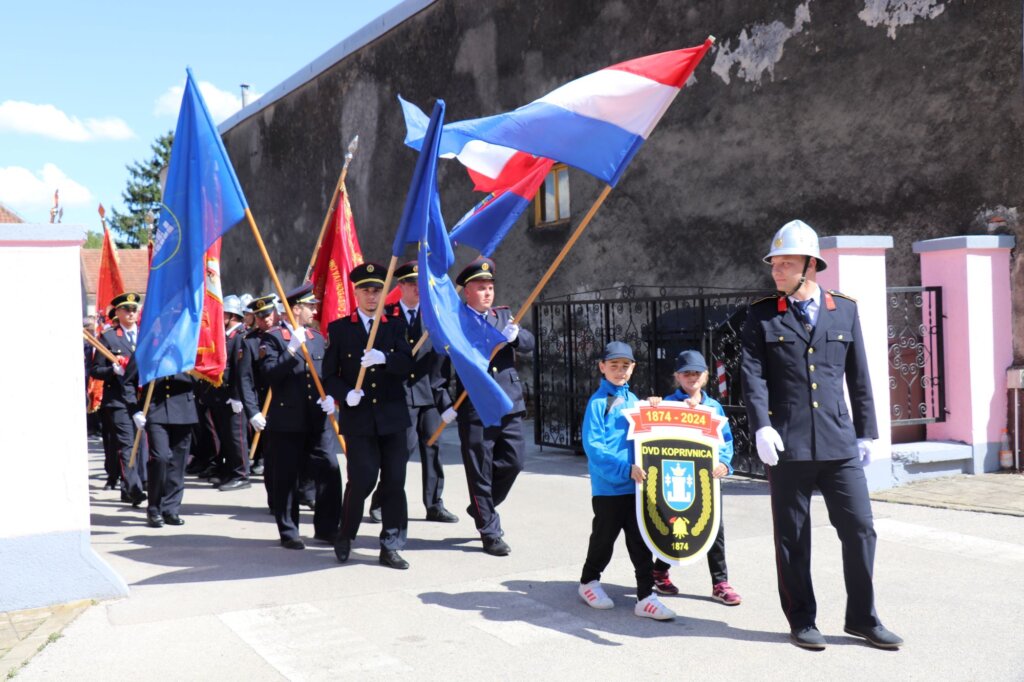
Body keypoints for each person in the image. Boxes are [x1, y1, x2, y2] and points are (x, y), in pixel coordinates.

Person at [740, 219, 902, 650]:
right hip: (788, 442)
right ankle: (802, 619)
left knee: (860, 529)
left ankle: (863, 618)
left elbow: (859, 375)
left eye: (785, 263)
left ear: (810, 266)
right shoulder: (761, 314)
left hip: (839, 441)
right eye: (774, 264)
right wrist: (762, 426)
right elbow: (752, 377)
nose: (776, 271)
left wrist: (866, 433)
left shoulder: (843, 309)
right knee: (793, 536)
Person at [324, 262, 414, 569]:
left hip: (392, 417)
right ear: (356, 292)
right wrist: (345, 393)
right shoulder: (340, 329)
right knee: (362, 479)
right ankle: (346, 533)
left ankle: (391, 545)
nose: (372, 296)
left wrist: (385, 358)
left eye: (377, 291)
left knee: (394, 482)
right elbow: (329, 376)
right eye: (366, 290)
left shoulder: (395, 325)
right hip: (359, 419)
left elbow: (407, 365)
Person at [577, 341, 675, 621]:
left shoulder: (634, 401)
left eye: (625, 366)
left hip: (636, 486)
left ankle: (646, 597)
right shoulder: (599, 403)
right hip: (609, 488)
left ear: (633, 368)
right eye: (614, 366)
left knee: (641, 541)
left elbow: (652, 434)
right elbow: (594, 448)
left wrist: (654, 407)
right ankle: (589, 581)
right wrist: (624, 470)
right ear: (602, 367)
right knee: (604, 539)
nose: (620, 371)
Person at [453, 257, 534, 556]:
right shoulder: (457, 321)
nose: (487, 293)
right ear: (467, 292)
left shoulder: (504, 316)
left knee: (514, 462)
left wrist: (516, 337)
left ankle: (481, 506)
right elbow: (444, 361)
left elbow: (529, 344)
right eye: (480, 288)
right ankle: (490, 530)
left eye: (490, 287)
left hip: (508, 400)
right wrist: (446, 402)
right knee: (480, 469)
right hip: (475, 403)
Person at [647, 350, 741, 606]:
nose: (692, 377)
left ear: (706, 376)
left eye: (697, 373)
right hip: (675, 476)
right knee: (673, 525)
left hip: (707, 478)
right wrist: (653, 405)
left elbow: (726, 440)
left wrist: (724, 463)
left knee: (714, 528)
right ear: (677, 377)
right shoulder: (667, 403)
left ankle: (720, 583)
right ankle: (659, 572)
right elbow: (653, 436)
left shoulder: (713, 407)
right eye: (686, 373)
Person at [368, 261, 459, 524]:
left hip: (427, 393)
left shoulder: (434, 317)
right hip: (399, 394)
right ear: (401, 286)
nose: (417, 289)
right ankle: (381, 500)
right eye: (411, 283)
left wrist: (443, 398)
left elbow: (441, 360)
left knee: (432, 448)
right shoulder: (387, 315)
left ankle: (434, 504)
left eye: (421, 284)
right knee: (400, 451)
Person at [256, 284, 342, 550]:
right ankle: (289, 531)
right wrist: (291, 350)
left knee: (329, 469)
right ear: (296, 309)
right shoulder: (273, 338)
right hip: (287, 420)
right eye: (310, 306)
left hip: (317, 418)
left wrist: (331, 396)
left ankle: (327, 529)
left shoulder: (316, 337)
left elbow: (328, 373)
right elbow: (269, 374)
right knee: (287, 476)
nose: (314, 310)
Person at [88, 293, 147, 507]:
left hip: (142, 399)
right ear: (118, 312)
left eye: (134, 309)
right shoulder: (109, 337)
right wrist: (112, 371)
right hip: (119, 400)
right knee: (127, 444)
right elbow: (95, 369)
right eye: (126, 310)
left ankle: (128, 488)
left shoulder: (146, 334)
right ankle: (134, 488)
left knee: (141, 446)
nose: (131, 313)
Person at [200, 294, 252, 491]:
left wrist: (238, 397)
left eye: (222, 314)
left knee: (237, 437)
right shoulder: (225, 336)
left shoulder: (240, 337)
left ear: (232, 316)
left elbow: (242, 370)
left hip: (233, 396)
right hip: (221, 395)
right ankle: (229, 471)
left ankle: (241, 474)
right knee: (227, 437)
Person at [136, 371, 198, 528]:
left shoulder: (188, 356)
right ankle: (154, 508)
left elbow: (203, 376)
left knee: (178, 461)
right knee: (160, 458)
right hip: (156, 409)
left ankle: (171, 509)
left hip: (183, 410)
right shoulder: (149, 353)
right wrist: (134, 410)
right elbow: (129, 381)